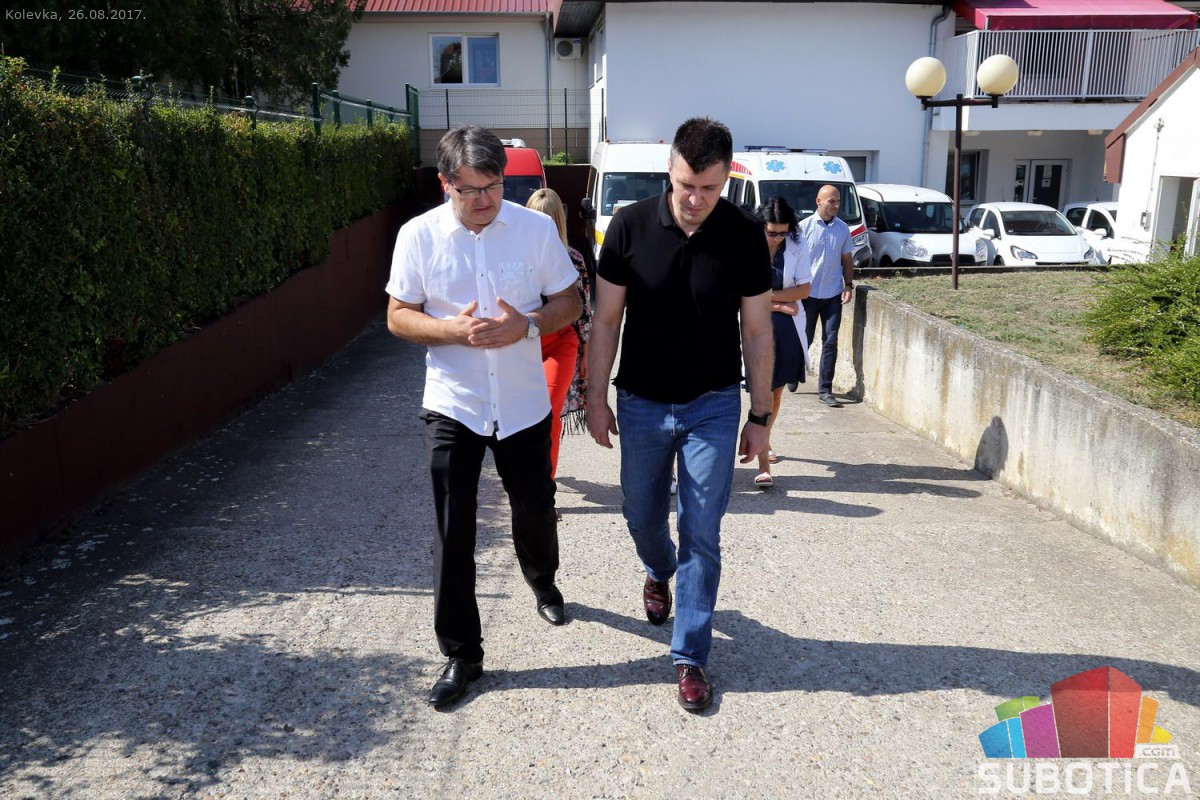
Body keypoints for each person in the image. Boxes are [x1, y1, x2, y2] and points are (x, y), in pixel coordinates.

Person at [385, 125, 582, 709]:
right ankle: (461, 654)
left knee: (534, 506)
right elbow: (397, 315)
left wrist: (526, 324)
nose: (484, 200)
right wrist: (450, 331)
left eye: (493, 186)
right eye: (469, 189)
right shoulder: (418, 236)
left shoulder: (534, 230)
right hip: (454, 403)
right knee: (453, 530)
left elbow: (570, 301)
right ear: (445, 183)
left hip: (522, 402)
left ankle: (543, 580)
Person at [586, 117, 774, 712]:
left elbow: (757, 330)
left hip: (712, 404)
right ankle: (657, 568)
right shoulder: (629, 225)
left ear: (726, 180)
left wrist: (761, 415)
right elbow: (606, 321)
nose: (695, 200)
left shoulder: (744, 234)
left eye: (709, 188)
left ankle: (690, 655)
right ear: (670, 170)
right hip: (641, 401)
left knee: (702, 530)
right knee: (641, 514)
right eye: (686, 185)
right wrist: (595, 397)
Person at [525, 188, 592, 487]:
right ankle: (526, 478)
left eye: (548, 220)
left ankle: (543, 487)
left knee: (549, 412)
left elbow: (584, 309)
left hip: (561, 343)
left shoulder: (572, 258)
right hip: (521, 345)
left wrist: (586, 352)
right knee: (522, 416)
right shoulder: (515, 259)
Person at [752, 196, 812, 490]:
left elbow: (804, 289)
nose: (778, 238)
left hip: (785, 328)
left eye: (783, 233)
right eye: (772, 232)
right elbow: (739, 293)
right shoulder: (746, 245)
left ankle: (764, 438)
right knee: (761, 393)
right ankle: (763, 463)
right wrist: (779, 303)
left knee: (775, 393)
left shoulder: (797, 245)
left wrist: (768, 300)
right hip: (753, 326)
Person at [797, 184, 855, 407]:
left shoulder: (842, 229)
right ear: (818, 201)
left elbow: (847, 260)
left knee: (830, 341)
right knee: (805, 338)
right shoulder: (804, 228)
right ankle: (794, 371)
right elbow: (795, 259)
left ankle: (825, 390)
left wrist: (848, 285)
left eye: (838, 201)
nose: (836, 205)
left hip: (832, 294)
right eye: (832, 201)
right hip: (808, 295)